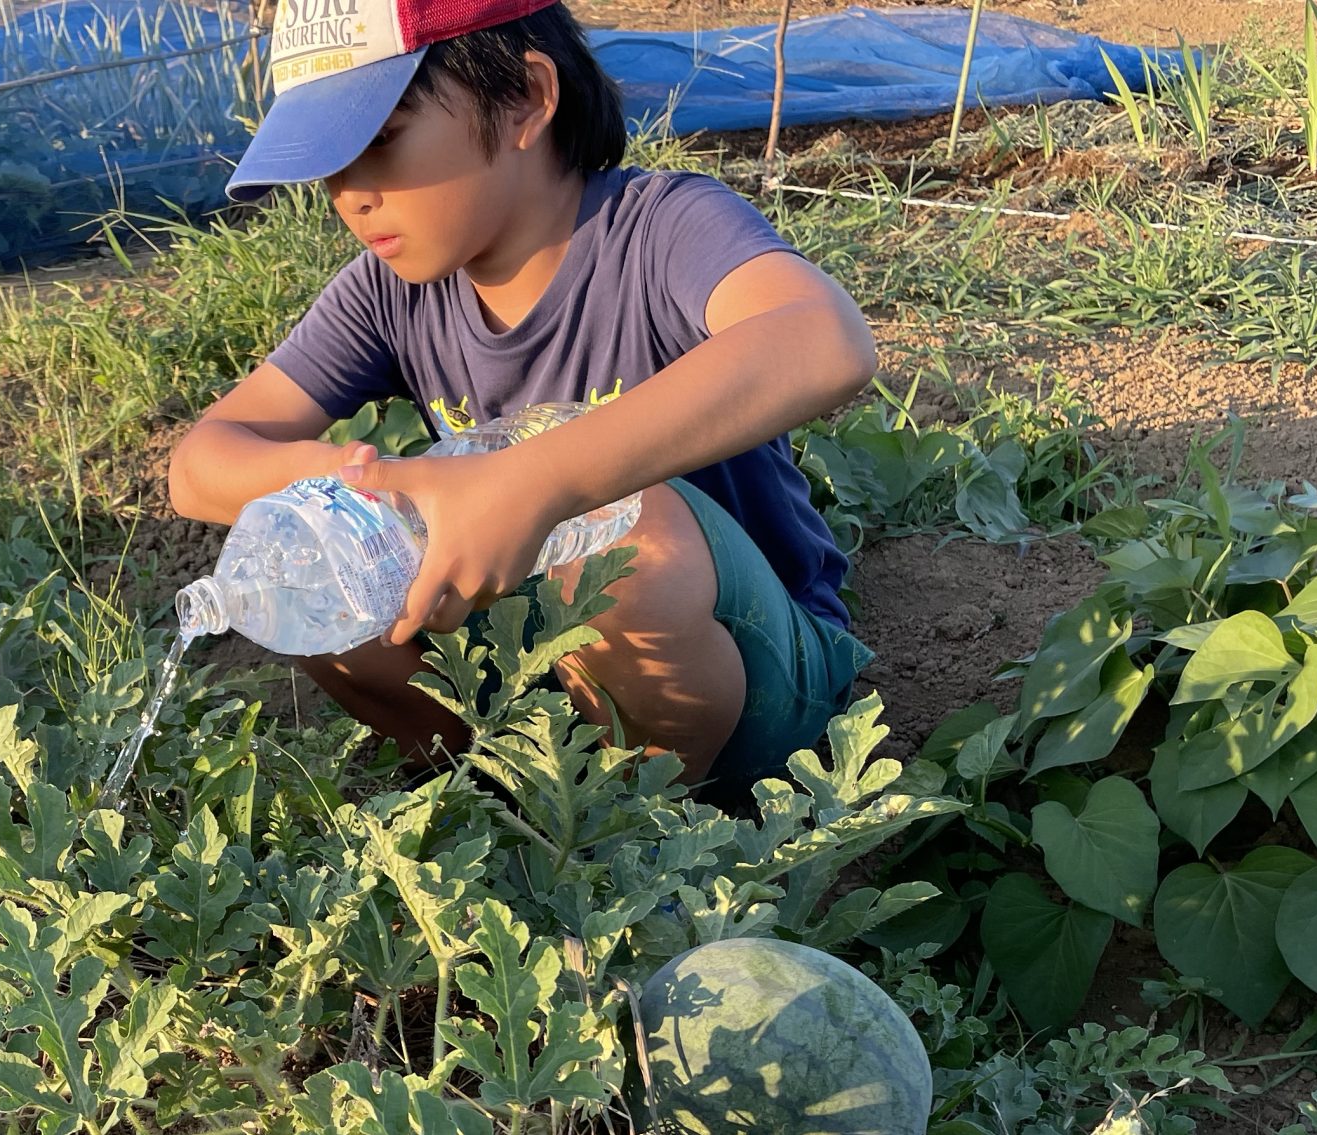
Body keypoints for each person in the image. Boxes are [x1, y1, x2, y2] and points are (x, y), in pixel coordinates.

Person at [166, 0, 879, 788]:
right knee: (313, 572)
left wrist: (534, 482)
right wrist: (360, 500)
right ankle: (498, 798)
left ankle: (651, 833)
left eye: (381, 140)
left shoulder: (662, 229)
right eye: (330, 162)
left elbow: (824, 338)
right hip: (531, 680)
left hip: (750, 680)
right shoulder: (387, 293)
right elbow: (200, 466)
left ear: (525, 98)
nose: (351, 194)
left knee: (618, 541)